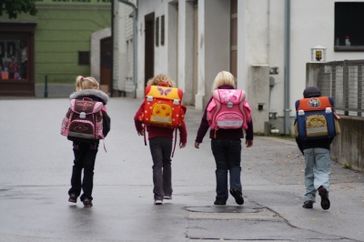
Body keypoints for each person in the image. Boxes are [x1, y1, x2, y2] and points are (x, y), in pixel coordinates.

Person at [194, 71, 253, 206]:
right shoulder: (240, 97)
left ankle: (221, 198)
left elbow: (206, 119)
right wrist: (249, 137)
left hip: (217, 137)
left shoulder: (215, 97)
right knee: (235, 165)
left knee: (221, 167)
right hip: (235, 138)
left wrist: (199, 138)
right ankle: (236, 188)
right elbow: (248, 118)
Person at [134, 74, 187, 205]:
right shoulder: (173, 98)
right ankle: (167, 192)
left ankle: (158, 196)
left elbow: (137, 117)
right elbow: (181, 121)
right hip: (168, 137)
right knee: (167, 162)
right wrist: (183, 137)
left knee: (157, 165)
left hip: (154, 137)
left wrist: (139, 128)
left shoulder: (151, 98)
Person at [66, 76, 111, 208]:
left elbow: (68, 119)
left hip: (77, 140)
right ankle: (87, 198)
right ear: (96, 88)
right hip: (93, 141)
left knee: (77, 165)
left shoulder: (75, 101)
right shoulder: (100, 103)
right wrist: (101, 135)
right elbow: (107, 123)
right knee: (89, 169)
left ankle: (73, 194)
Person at [295, 86, 335, 210]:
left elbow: (297, 133)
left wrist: (303, 149)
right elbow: (333, 130)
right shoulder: (326, 104)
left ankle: (309, 199)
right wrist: (327, 143)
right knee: (322, 171)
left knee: (309, 173)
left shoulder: (300, 105)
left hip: (307, 146)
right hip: (323, 145)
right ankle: (322, 187)